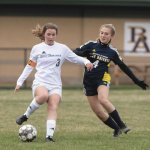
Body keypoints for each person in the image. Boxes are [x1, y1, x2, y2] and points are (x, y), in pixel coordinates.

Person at [15, 22, 93, 142]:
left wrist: (86, 61)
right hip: (40, 82)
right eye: (49, 34)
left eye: (53, 34)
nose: (51, 37)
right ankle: (25, 115)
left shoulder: (62, 48)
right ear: (44, 34)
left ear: (56, 35)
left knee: (53, 106)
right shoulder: (37, 48)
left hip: (56, 84)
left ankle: (49, 137)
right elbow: (30, 66)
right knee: (43, 96)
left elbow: (75, 58)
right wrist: (20, 81)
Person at [73, 24, 149, 137]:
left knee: (103, 99)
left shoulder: (112, 52)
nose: (103, 35)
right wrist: (83, 53)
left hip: (103, 78)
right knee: (99, 112)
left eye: (106, 33)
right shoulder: (90, 45)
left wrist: (136, 81)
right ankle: (117, 128)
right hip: (88, 81)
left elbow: (124, 67)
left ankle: (122, 125)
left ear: (111, 36)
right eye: (102, 33)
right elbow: (75, 52)